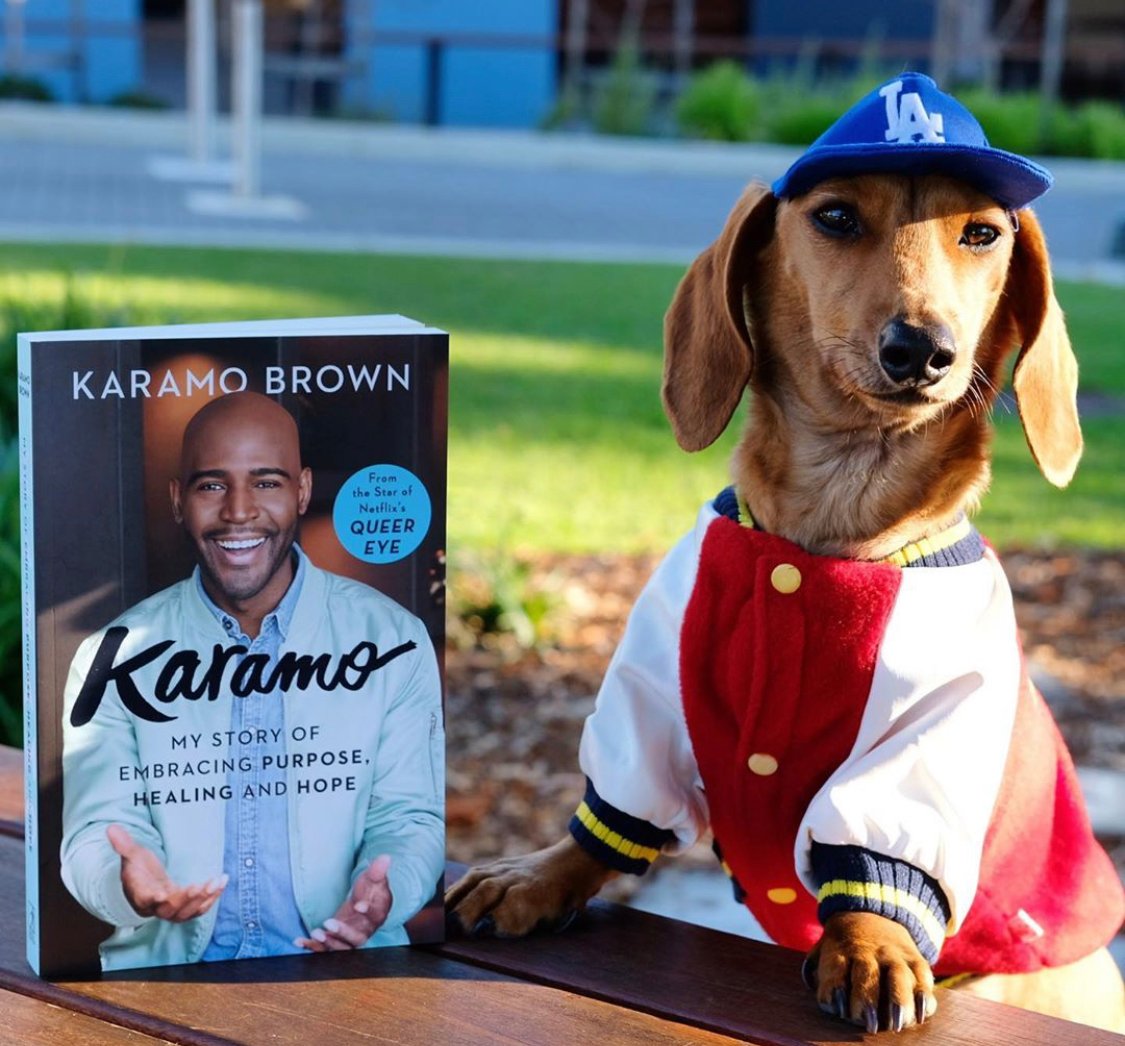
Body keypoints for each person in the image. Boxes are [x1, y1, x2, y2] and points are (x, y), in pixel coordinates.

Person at [60, 392, 444, 971]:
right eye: (211, 485)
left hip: (348, 975)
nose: (239, 511)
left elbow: (410, 819)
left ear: (303, 491)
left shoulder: (395, 641)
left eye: (266, 482)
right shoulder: (112, 655)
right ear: (178, 500)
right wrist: (128, 885)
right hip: (169, 983)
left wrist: (385, 895)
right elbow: (94, 833)